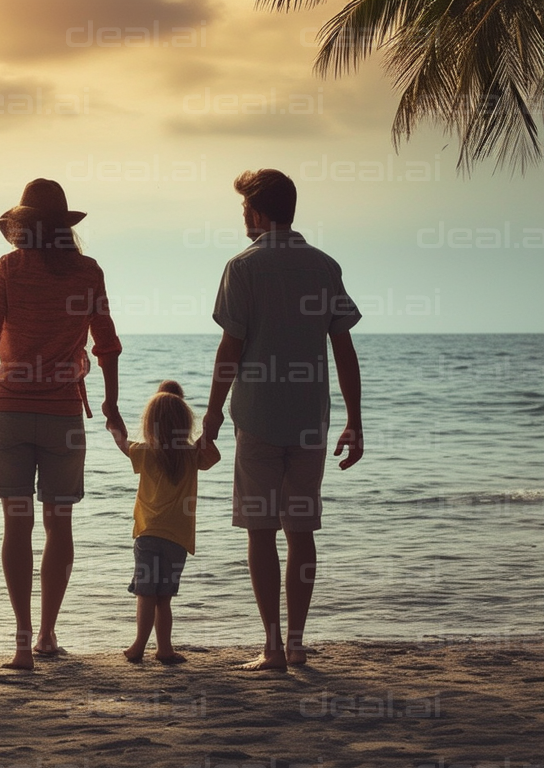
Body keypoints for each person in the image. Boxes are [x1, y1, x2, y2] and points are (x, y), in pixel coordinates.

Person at [0, 178, 124, 670]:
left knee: (16, 526)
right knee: (58, 525)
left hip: (11, 413)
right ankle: (46, 634)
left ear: (24, 227)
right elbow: (107, 345)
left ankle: (22, 643)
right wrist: (112, 406)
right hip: (63, 416)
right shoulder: (87, 271)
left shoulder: (10, 268)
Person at [201, 169, 364, 671]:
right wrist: (355, 421)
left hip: (257, 418)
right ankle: (295, 643)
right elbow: (344, 346)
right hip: (310, 420)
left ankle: (272, 646)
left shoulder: (242, 267)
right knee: (301, 531)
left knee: (260, 532)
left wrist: (209, 419)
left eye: (245, 208)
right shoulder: (323, 266)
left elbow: (231, 348)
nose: (243, 217)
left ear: (257, 211)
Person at [112, 380, 220, 665]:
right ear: (186, 422)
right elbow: (213, 454)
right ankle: (164, 649)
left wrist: (113, 420)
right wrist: (210, 428)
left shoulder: (145, 452)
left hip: (148, 535)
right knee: (164, 598)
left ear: (150, 424)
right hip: (177, 538)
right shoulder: (192, 454)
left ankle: (138, 647)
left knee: (145, 594)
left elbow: (122, 441)